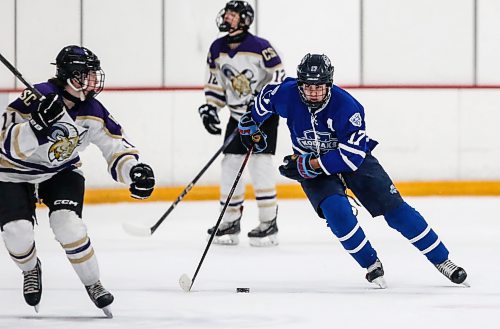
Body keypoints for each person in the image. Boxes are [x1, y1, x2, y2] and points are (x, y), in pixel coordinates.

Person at [238, 53, 468, 288]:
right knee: (336, 212)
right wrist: (250, 122)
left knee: (396, 211)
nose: (314, 92)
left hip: (350, 160)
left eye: (320, 87)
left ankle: (443, 260)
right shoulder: (285, 94)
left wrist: (310, 164)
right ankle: (370, 264)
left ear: (329, 84)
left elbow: (351, 156)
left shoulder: (347, 107)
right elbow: (264, 100)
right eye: (308, 87)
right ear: (300, 85)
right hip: (308, 162)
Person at [0, 45, 155, 316]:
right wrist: (34, 128)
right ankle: (30, 269)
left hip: (61, 171)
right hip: (13, 172)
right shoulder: (34, 98)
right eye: (87, 74)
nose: (94, 80)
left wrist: (134, 170)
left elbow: (115, 147)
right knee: (16, 232)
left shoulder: (92, 109)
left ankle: (93, 283)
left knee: (68, 225)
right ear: (71, 76)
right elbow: (3, 142)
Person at [198, 1, 286, 246]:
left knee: (260, 164)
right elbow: (215, 82)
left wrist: (261, 101)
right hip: (237, 116)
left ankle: (269, 223)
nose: (227, 17)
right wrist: (211, 108)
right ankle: (229, 221)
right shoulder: (217, 48)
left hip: (263, 116)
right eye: (227, 13)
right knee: (230, 164)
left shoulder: (261, 47)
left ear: (245, 19)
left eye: (233, 14)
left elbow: (278, 75)